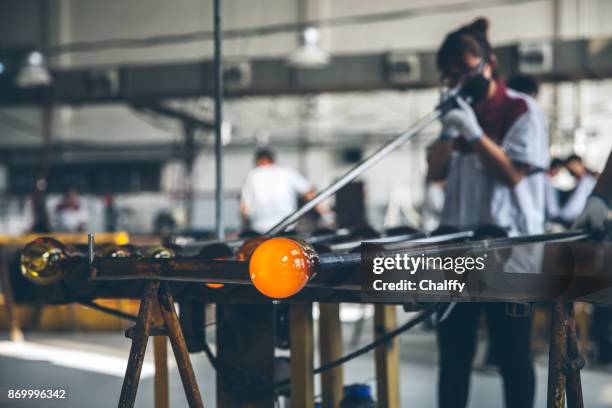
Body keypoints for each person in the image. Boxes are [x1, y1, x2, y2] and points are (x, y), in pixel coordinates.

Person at [427, 18, 548, 408]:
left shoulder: (520, 109)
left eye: (465, 72)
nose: (459, 81)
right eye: (451, 76)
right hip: (456, 244)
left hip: (509, 250)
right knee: (453, 353)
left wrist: (475, 132)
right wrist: (449, 132)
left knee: (511, 353)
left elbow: (512, 174)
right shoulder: (458, 109)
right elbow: (434, 174)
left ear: (488, 63)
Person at [240, 148, 321, 234]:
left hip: (260, 229)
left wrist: (245, 228)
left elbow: (244, 208)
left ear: (257, 161)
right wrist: (325, 213)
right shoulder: (287, 172)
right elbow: (309, 193)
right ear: (273, 160)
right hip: (286, 226)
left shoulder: (252, 176)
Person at [559, 154, 597, 225]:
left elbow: (573, 209)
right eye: (569, 168)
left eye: (573, 165)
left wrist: (561, 215)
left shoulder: (586, 182)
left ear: (580, 163)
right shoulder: (582, 181)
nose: (571, 169)